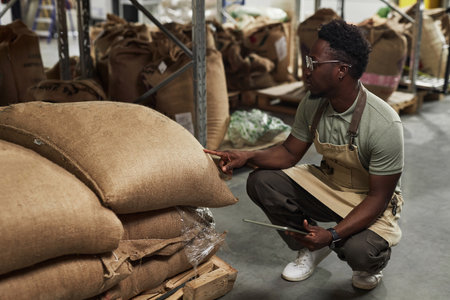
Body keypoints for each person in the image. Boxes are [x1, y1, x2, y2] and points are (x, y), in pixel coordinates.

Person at [204, 19, 404, 290]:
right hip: (330, 184)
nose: (305, 71)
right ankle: (309, 248)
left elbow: (378, 198)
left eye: (313, 63)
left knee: (361, 252)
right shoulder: (313, 103)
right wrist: (246, 156)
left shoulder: (384, 124)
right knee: (262, 181)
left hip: (369, 198)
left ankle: (366, 264)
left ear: (341, 71)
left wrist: (332, 234)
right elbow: (288, 153)